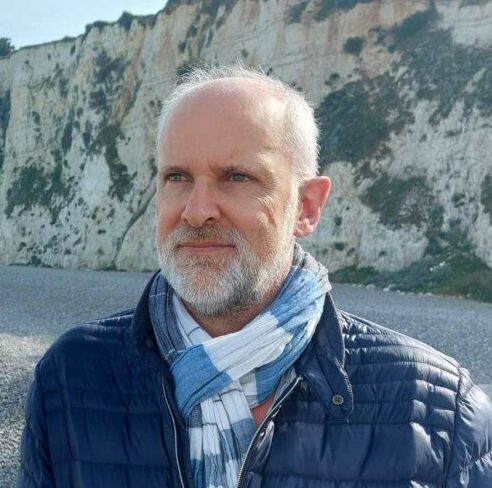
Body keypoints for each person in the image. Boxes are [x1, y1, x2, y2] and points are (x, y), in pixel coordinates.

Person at [17, 65, 492, 488]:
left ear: (306, 207)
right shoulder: (72, 377)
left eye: (237, 177)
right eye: (177, 177)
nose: (196, 211)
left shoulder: (440, 409)